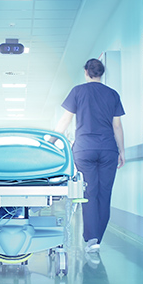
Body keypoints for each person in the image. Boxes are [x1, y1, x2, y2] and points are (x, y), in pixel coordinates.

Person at [53, 58, 125, 263]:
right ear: (101, 73)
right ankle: (96, 239)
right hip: (108, 149)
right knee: (105, 193)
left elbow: (65, 120)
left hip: (84, 149)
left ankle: (91, 238)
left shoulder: (78, 91)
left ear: (86, 72)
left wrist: (51, 141)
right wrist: (122, 151)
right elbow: (117, 126)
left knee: (89, 193)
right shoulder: (112, 94)